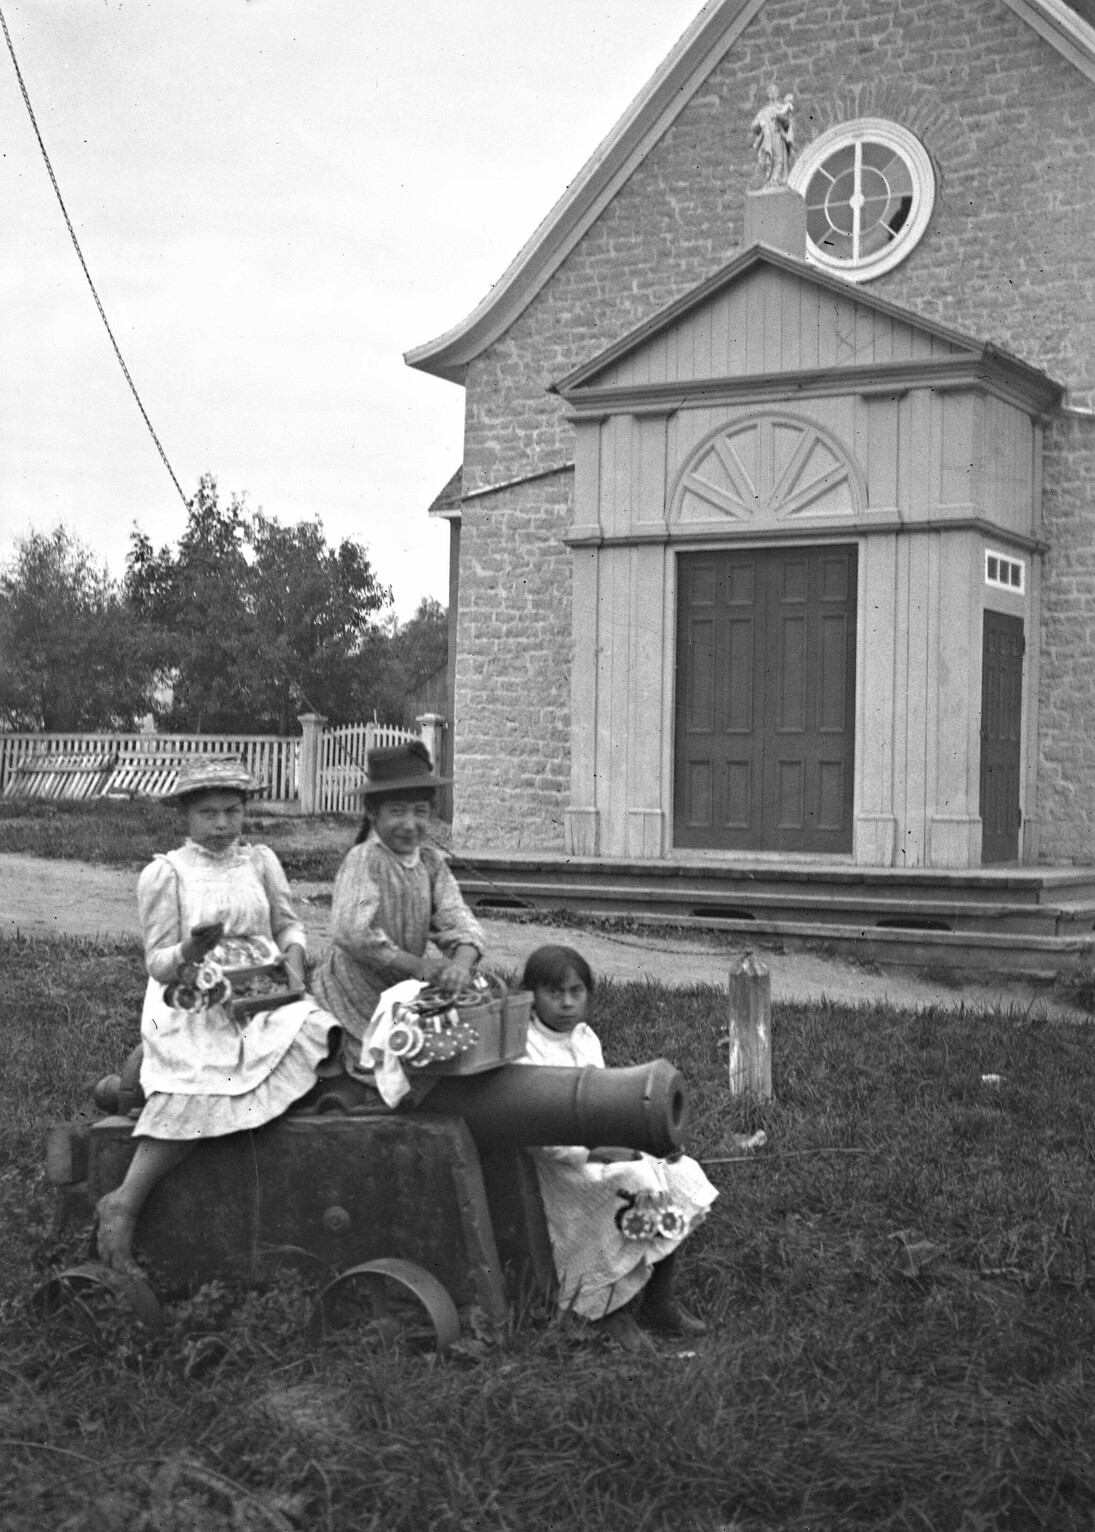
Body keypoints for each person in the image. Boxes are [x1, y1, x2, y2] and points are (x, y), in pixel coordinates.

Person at [96, 756, 338, 1275]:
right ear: (186, 815)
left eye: (233, 811)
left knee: (319, 1031)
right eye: (209, 814)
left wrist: (293, 963)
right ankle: (125, 1200)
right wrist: (192, 949)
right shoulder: (167, 874)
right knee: (202, 1082)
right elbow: (159, 963)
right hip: (196, 1000)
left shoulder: (260, 862)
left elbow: (289, 926)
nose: (223, 824)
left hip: (263, 991)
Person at [515, 944, 717, 1350]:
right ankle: (607, 1307)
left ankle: (659, 1300)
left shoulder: (586, 1038)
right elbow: (535, 1132)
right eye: (554, 993)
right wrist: (593, 1153)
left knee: (679, 1172)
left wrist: (643, 1143)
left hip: (600, 1148)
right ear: (531, 995)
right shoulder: (525, 1047)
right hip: (561, 1166)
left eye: (576, 991)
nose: (567, 1003)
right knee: (637, 1180)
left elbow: (603, 1104)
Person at [311, 740, 485, 1100]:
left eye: (420, 811)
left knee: (445, 1053)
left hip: (401, 993)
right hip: (354, 992)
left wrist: (460, 966)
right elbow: (353, 928)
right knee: (377, 1075)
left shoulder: (431, 865)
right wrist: (418, 965)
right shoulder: (366, 861)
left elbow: (459, 920)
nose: (410, 824)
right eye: (397, 812)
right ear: (373, 814)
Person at [750, 83, 795, 188]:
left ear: (778, 94)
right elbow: (754, 127)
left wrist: (780, 117)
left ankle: (775, 179)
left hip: (778, 136)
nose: (772, 93)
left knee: (778, 158)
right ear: (768, 95)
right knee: (767, 159)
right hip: (767, 139)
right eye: (770, 92)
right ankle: (770, 179)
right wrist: (760, 123)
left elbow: (787, 124)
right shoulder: (764, 111)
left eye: (774, 91)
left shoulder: (782, 108)